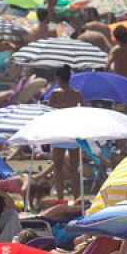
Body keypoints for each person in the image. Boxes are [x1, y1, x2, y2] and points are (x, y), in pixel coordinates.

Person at [45, 65, 82, 199]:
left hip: (60, 131)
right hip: (73, 131)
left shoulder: (56, 93)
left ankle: (60, 197)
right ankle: (77, 196)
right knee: (74, 168)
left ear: (58, 78)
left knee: (58, 168)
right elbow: (83, 111)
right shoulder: (77, 93)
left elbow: (49, 111)